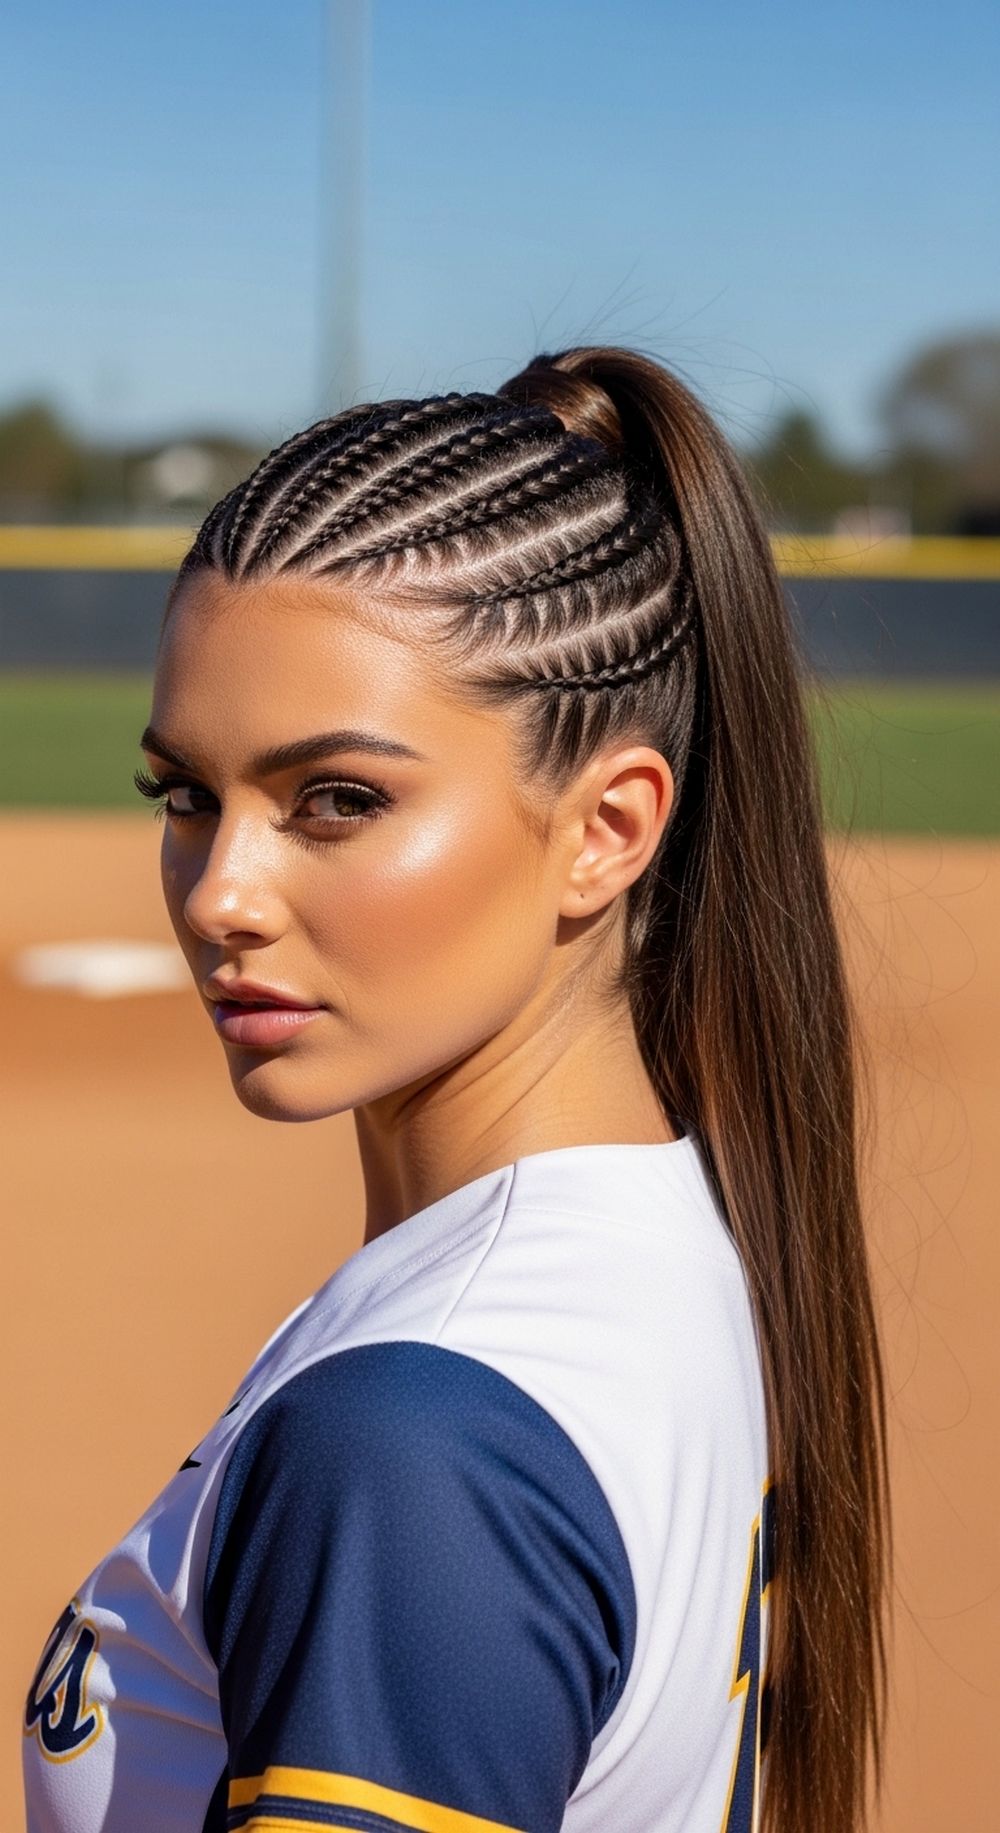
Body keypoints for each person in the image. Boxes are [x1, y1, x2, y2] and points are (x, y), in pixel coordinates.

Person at [22, 345, 891, 1833]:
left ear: (606, 829)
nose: (219, 892)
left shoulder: (414, 1445)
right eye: (187, 795)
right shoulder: (663, 1236)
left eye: (338, 800)